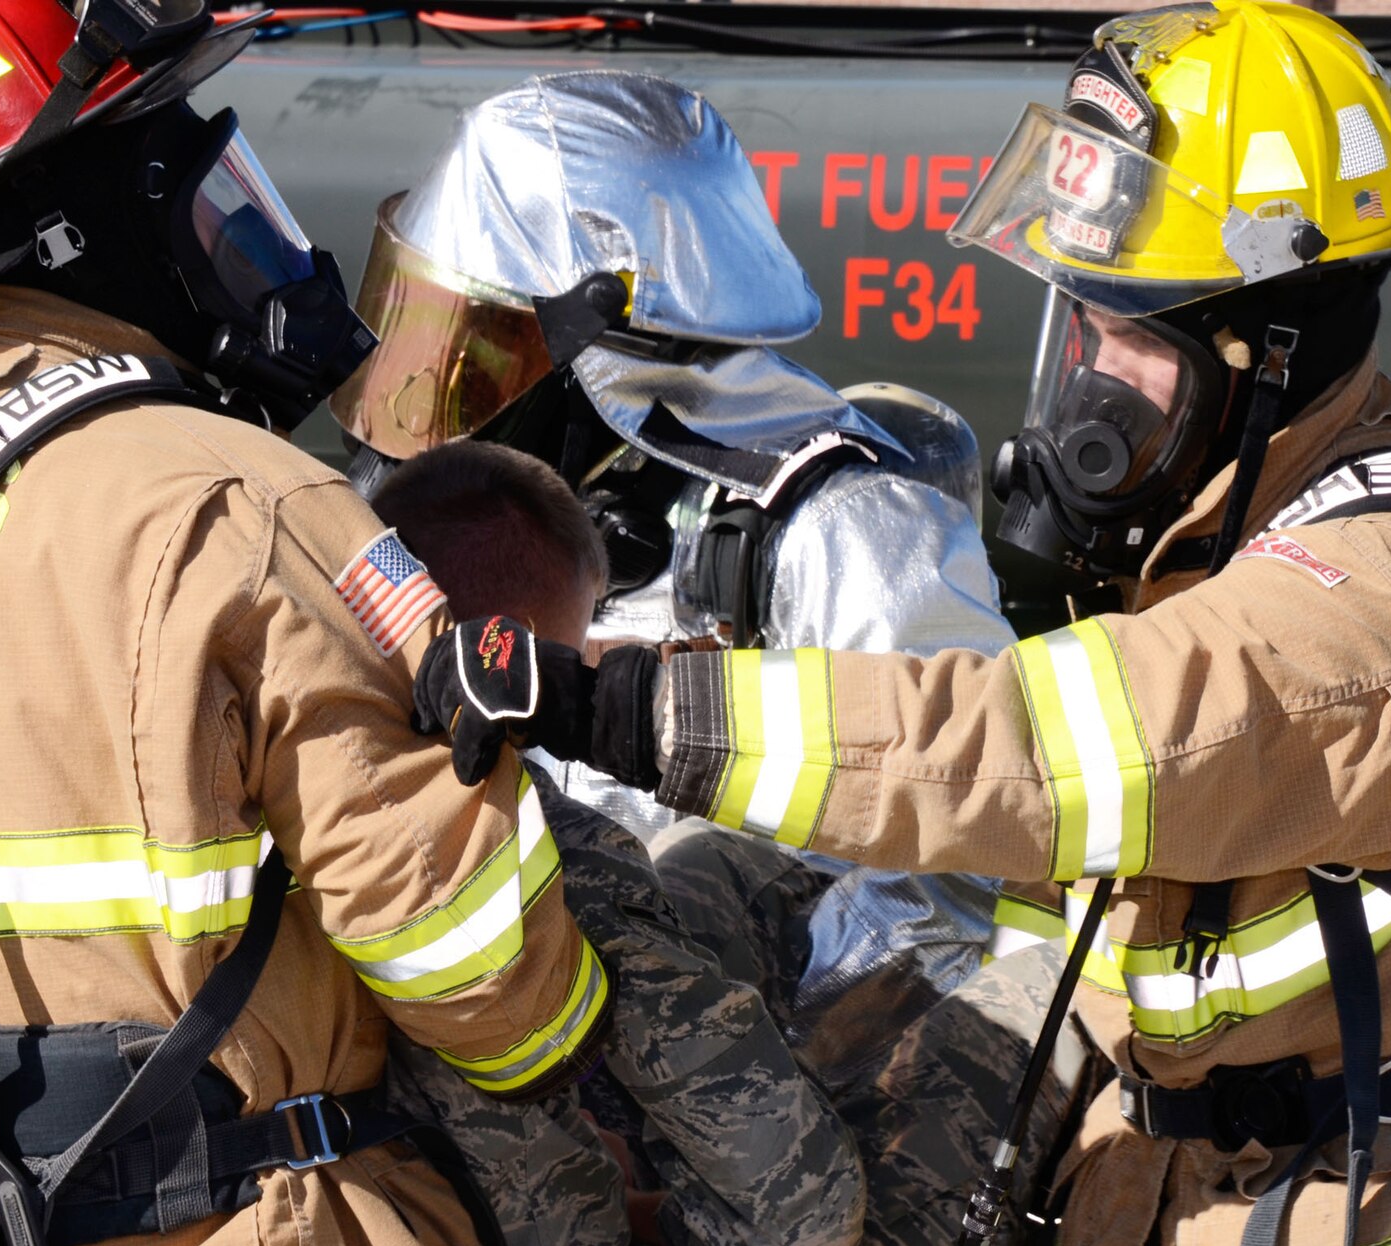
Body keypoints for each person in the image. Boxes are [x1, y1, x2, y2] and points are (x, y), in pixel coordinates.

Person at [415, 4, 1391, 1246]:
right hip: (1215, 1232)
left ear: (1268, 343)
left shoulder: (1383, 608)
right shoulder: (1222, 536)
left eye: (1130, 338)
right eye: (1078, 324)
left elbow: (1035, 754)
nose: (1084, 381)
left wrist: (613, 704)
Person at [0, 1, 609, 1246]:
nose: (237, 226)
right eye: (193, 175)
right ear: (86, 207)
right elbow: (480, 976)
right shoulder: (242, 502)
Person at [329, 66, 1031, 1077]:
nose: (436, 396)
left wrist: (730, 1084)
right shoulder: (501, 518)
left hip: (741, 1098)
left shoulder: (842, 524)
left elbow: (936, 888)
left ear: (607, 348)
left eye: (477, 348)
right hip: (519, 1043)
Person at [369, 442, 866, 1246]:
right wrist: (652, 1217)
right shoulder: (538, 845)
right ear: (526, 655)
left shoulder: (237, 782)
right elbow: (797, 1216)